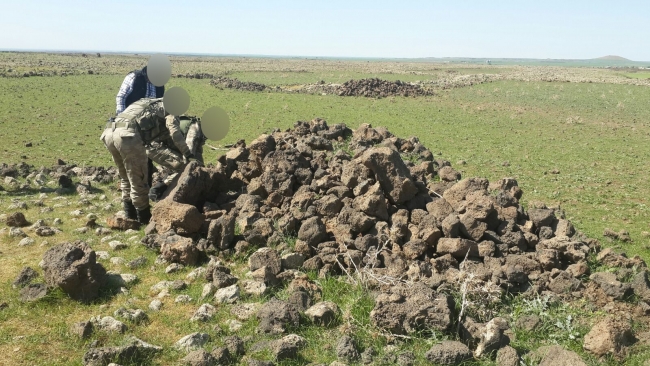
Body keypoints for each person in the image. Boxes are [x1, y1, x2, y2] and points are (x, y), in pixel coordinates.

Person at [100, 98, 197, 224]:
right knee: (139, 179)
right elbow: (174, 131)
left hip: (109, 132)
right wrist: (187, 154)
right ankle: (143, 218)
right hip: (128, 136)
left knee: (125, 177)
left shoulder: (148, 102)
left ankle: (130, 214)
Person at [115, 66, 165, 187]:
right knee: (130, 157)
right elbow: (121, 97)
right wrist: (121, 119)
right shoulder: (134, 77)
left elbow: (159, 103)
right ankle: (130, 188)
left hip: (148, 127)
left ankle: (144, 187)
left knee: (147, 157)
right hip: (129, 123)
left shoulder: (159, 84)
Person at [147, 115, 206, 200]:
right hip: (155, 147)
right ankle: (158, 189)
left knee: (196, 168)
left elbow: (197, 151)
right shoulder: (195, 130)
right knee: (185, 168)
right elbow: (188, 154)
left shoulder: (200, 128)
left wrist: (202, 169)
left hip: (166, 145)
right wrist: (197, 169)